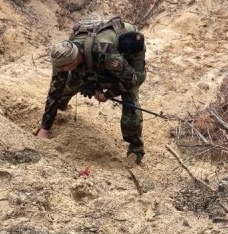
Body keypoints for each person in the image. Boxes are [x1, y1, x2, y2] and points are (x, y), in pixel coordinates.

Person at [36, 15, 146, 164]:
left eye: (63, 68)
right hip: (95, 56)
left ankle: (136, 149)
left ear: (75, 60)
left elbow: (130, 79)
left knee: (129, 98)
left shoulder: (104, 50)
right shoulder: (63, 56)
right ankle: (61, 107)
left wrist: (107, 94)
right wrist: (44, 128)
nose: (60, 70)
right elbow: (55, 90)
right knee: (70, 83)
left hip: (130, 47)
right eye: (58, 67)